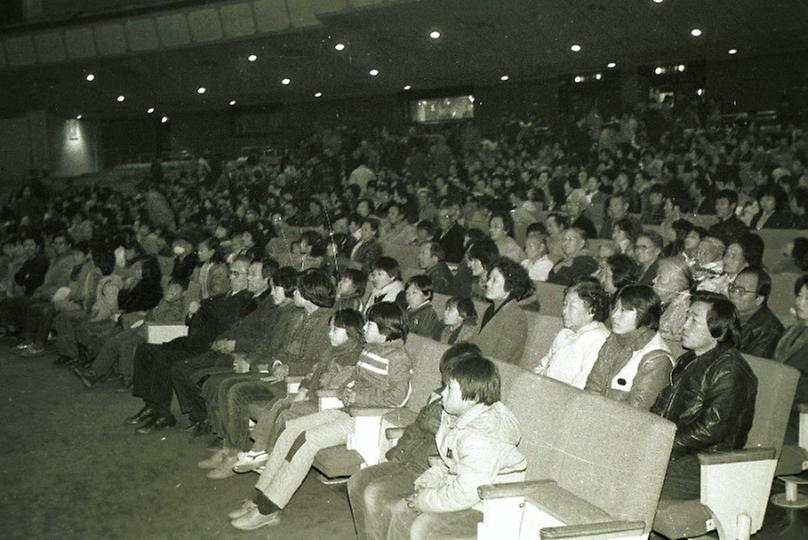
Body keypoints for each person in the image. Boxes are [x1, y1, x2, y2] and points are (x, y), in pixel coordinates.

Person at [228, 302, 413, 531]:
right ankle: (259, 496)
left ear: (385, 330)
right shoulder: (369, 349)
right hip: (347, 409)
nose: (364, 328)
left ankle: (268, 509)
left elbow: (398, 397)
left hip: (367, 420)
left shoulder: (398, 358)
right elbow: (356, 377)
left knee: (308, 439)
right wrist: (348, 387)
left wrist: (358, 395)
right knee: (290, 428)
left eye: (370, 324)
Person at [347, 343, 482, 540]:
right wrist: (398, 451)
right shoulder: (439, 398)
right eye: (446, 373)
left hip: (424, 470)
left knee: (375, 493)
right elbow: (415, 427)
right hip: (405, 459)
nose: (445, 380)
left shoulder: (467, 411)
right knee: (357, 481)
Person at [384, 355, 527, 539]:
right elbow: (450, 465)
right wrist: (427, 483)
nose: (442, 393)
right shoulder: (456, 419)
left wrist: (424, 500)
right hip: (466, 494)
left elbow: (465, 493)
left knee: (423, 528)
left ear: (473, 398)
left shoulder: (480, 437)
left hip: (490, 506)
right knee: (401, 509)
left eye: (450, 389)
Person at [126, 257, 258, 434]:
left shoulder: (247, 301)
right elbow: (194, 321)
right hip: (192, 341)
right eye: (231, 273)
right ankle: (151, 404)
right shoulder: (220, 297)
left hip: (206, 347)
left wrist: (202, 311)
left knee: (163, 357)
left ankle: (163, 413)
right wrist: (192, 313)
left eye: (237, 274)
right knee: (144, 350)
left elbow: (227, 326)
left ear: (248, 276)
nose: (231, 277)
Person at [231, 308, 366, 474]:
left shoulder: (353, 356)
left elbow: (338, 384)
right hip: (312, 396)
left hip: (327, 404)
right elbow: (314, 372)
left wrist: (315, 386)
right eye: (329, 329)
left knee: (287, 414)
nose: (329, 334)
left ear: (351, 332)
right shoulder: (331, 350)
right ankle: (258, 450)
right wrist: (304, 387)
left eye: (335, 330)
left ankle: (272, 458)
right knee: (279, 403)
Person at [651, 292, 757, 499]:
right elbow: (661, 406)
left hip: (704, 464)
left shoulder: (730, 370)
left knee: (623, 475)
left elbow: (711, 429)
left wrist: (660, 445)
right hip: (676, 453)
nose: (684, 325)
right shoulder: (689, 359)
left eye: (694, 320)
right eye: (687, 317)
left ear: (718, 330)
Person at [585, 284, 673, 410]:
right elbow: (593, 386)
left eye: (623, 310)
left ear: (644, 314)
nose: (614, 315)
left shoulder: (657, 359)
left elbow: (635, 412)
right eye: (614, 308)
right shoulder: (614, 340)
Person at [535, 280, 611, 388]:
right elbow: (541, 367)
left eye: (572, 307)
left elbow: (582, 385)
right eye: (565, 304)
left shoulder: (599, 338)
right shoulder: (564, 333)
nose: (564, 311)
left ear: (591, 311)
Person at [470, 257, 531, 365]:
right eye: (489, 279)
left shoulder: (516, 318)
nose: (487, 283)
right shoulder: (491, 309)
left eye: (494, 280)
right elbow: (474, 342)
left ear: (510, 286)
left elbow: (500, 359)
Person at [774, 274, 808, 444]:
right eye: (800, 296)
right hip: (778, 407)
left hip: (799, 419)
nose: (800, 302)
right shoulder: (790, 331)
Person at [728, 267, 784, 358]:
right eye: (732, 287)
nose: (733, 294)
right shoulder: (731, 312)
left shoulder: (769, 332)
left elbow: (748, 365)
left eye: (741, 291)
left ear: (758, 299)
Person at [653, 257, 692, 342]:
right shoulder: (665, 300)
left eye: (660, 277)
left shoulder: (683, 309)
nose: (653, 280)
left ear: (675, 286)